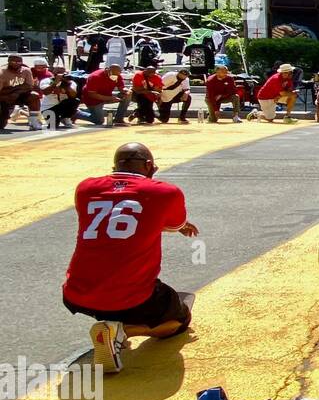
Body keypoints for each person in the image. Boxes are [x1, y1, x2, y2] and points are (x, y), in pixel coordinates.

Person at [62, 143, 199, 373]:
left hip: (78, 293)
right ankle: (122, 331)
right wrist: (182, 226)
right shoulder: (164, 192)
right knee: (179, 322)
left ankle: (111, 329)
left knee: (115, 301)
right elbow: (172, 223)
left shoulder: (85, 189)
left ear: (115, 165)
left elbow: (117, 216)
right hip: (134, 297)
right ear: (149, 166)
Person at [0, 55, 42, 131]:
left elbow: (29, 86)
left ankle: (34, 121)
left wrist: (16, 92)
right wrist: (12, 92)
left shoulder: (26, 71)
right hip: (4, 97)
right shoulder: (2, 72)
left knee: (34, 96)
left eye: (19, 61)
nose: (16, 63)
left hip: (19, 95)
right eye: (13, 61)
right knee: (1, 125)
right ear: (8, 62)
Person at [39, 64, 80, 129]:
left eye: (63, 73)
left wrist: (67, 85)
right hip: (48, 107)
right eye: (58, 72)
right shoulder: (46, 81)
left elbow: (73, 95)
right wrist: (55, 82)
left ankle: (66, 118)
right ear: (53, 73)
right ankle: (55, 120)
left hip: (62, 106)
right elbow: (45, 92)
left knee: (75, 101)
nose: (61, 75)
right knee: (53, 126)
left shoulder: (71, 82)